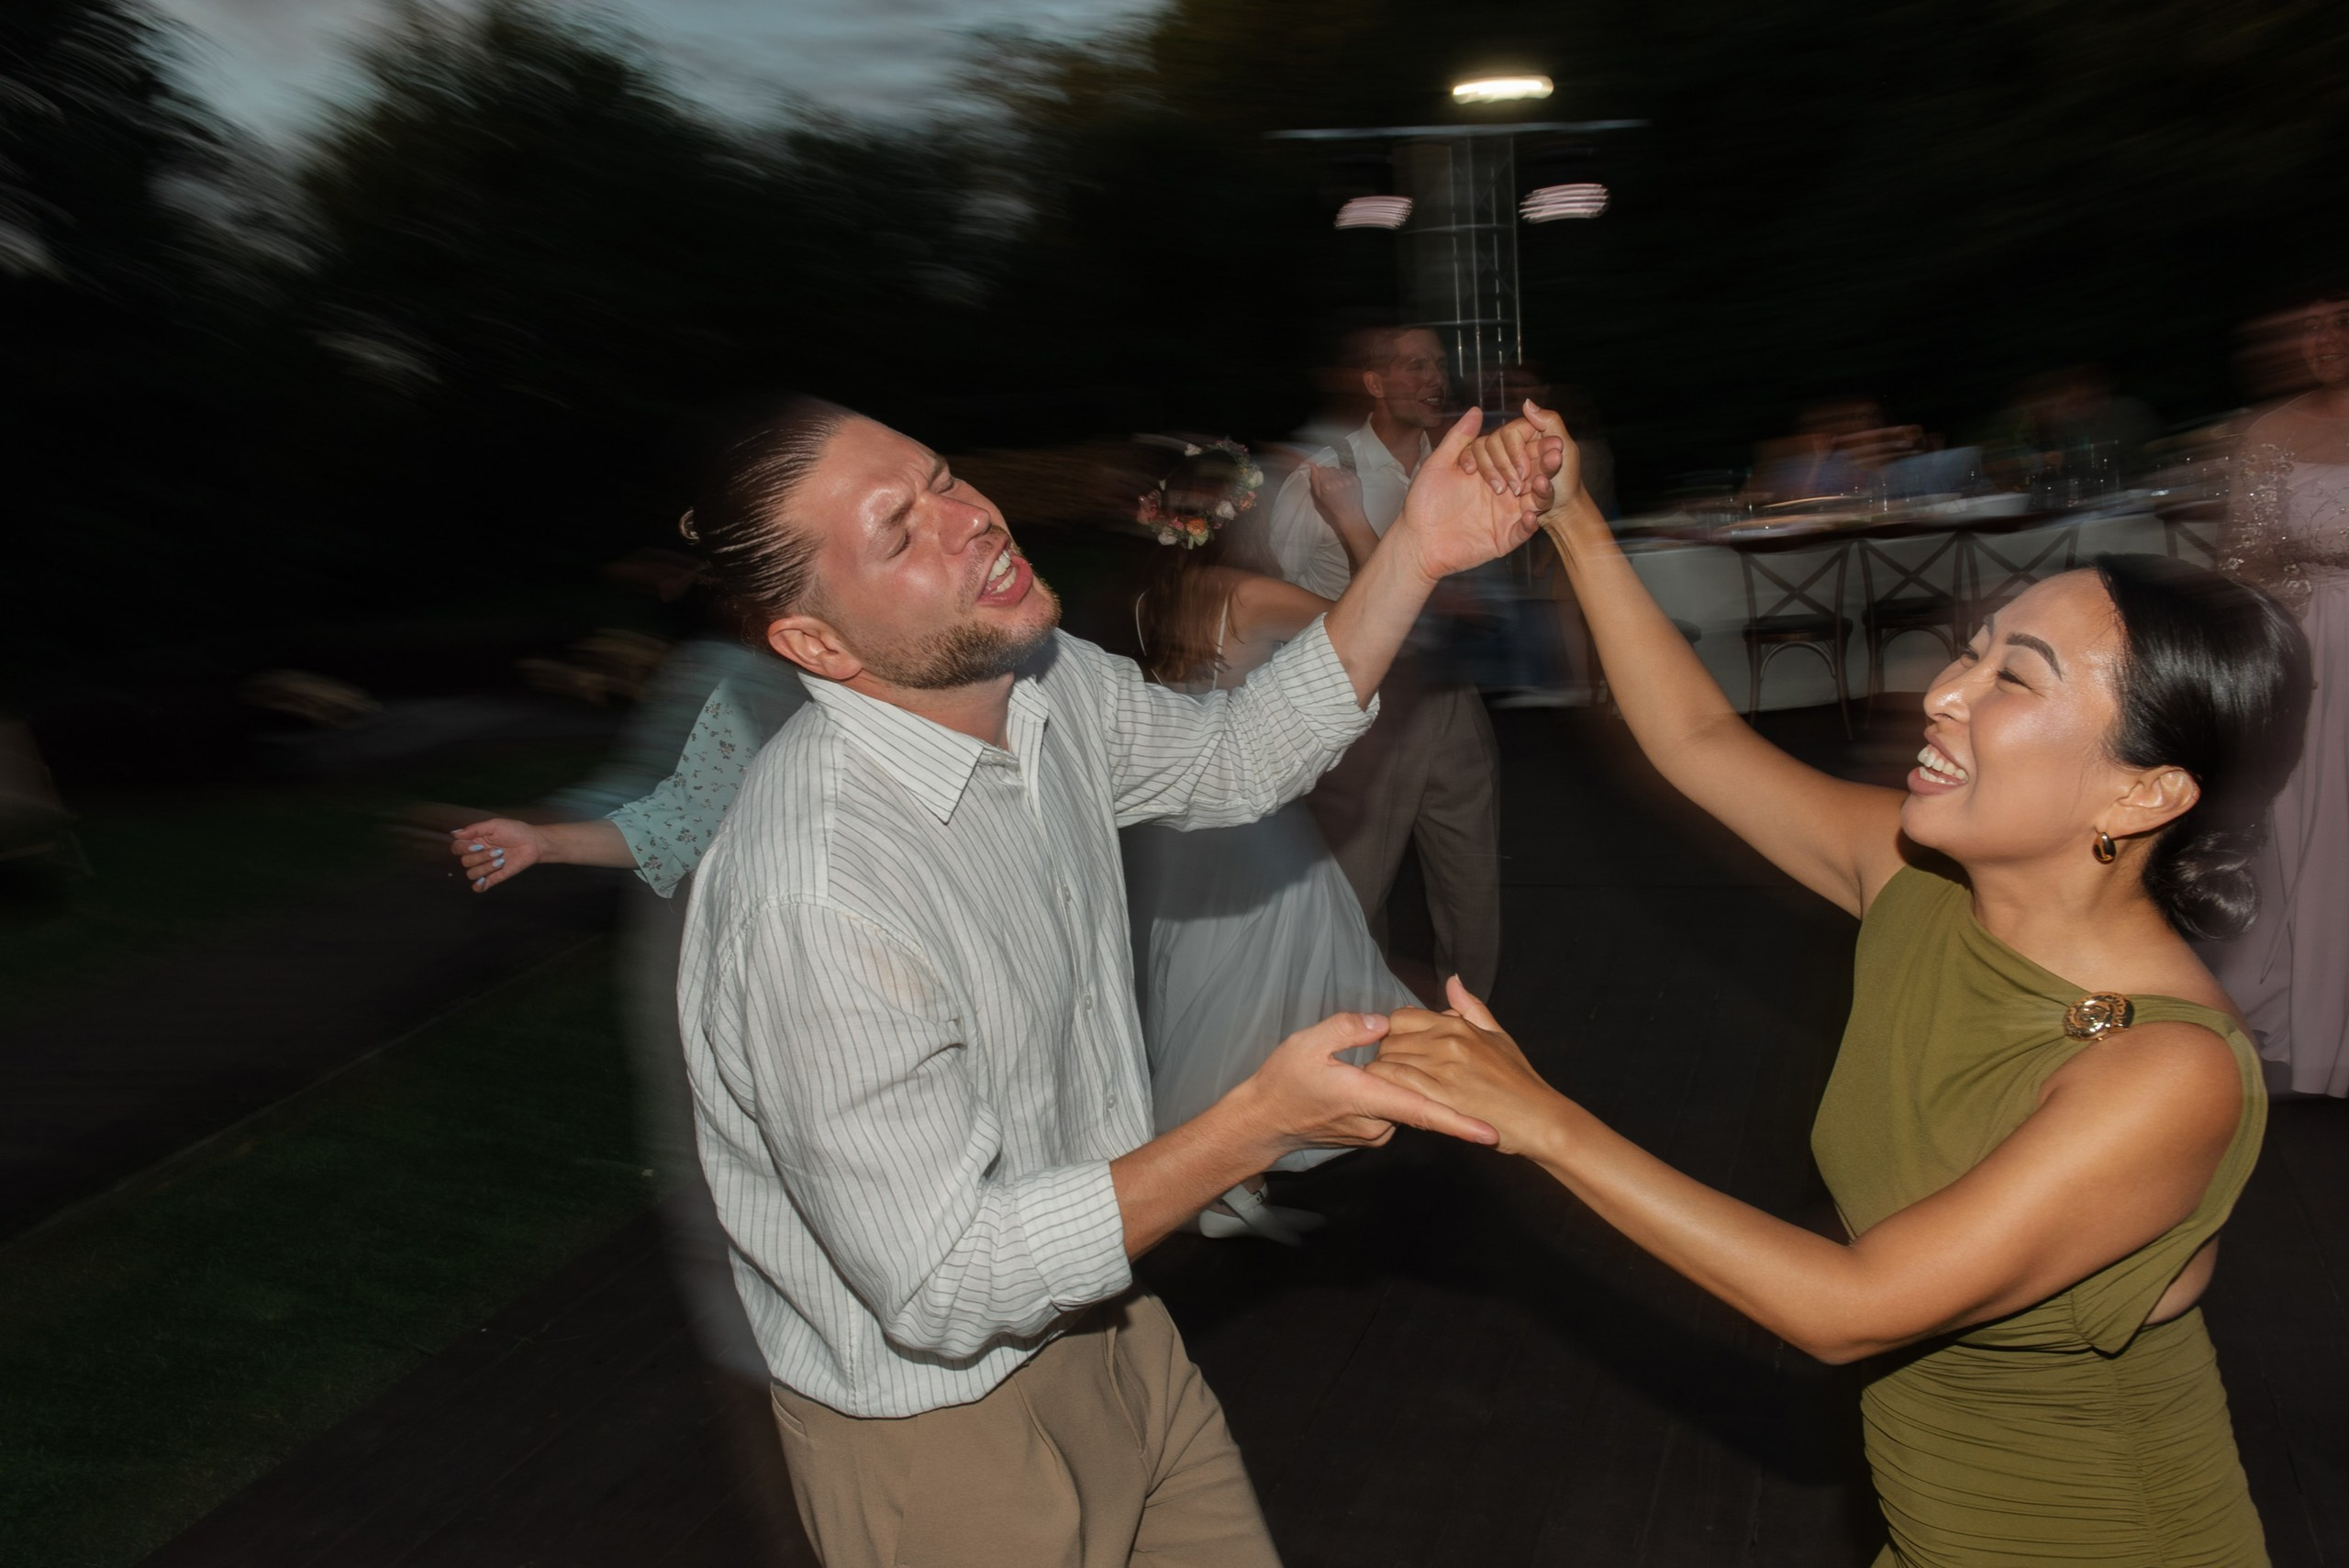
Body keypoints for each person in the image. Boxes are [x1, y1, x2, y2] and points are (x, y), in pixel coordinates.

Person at [1372, 403, 2310, 1567]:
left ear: (2142, 796)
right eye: (1971, 647)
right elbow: (1701, 741)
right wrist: (1571, 521)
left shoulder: (2164, 1068)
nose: (1943, 692)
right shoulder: (1918, 882)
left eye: (2012, 678)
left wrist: (1542, 1120)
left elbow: (1848, 1305)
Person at [674, 395, 1532, 1568]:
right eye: (898, 529)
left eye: (944, 475)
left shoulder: (1043, 683)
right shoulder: (817, 899)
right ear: (816, 645)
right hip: (940, 1439)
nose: (969, 518)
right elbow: (941, 1283)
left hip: (1115, 1320)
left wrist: (1421, 549)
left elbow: (1234, 757)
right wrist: (1257, 1123)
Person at [1123, 437, 1419, 1243]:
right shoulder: (1250, 594)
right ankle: (1242, 1166)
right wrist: (1353, 523)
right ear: (1236, 523)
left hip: (1179, 829)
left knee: (1203, 998)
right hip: (1254, 829)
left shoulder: (1151, 603)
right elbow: (1374, 619)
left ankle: (1219, 1178)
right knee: (1288, 990)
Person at [1263, 324, 1503, 997]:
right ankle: (1367, 1039)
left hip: (1452, 697)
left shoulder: (1461, 465)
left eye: (1439, 366)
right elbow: (1277, 596)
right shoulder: (1322, 476)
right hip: (1363, 711)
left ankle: (1474, 1033)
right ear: (1374, 382)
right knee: (1357, 891)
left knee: (1473, 888)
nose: (1435, 379)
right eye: (1416, 366)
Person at [2213, 288, 2349, 1097]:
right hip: (2319, 645)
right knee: (2310, 818)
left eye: (2340, 323)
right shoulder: (2273, 432)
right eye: (2310, 327)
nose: (2322, 340)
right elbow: (2244, 556)